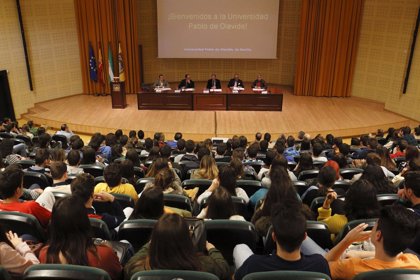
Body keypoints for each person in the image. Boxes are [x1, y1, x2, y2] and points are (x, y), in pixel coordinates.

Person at [234, 201, 331, 280]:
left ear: (274, 237)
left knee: (240, 247)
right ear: (305, 237)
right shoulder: (320, 265)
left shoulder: (253, 265)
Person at [324, 205, 420, 279]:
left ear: (378, 235)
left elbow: (322, 265)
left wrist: (346, 241)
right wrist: (360, 254)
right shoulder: (414, 263)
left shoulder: (350, 267)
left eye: (375, 224)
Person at [124, 213, 230, 280]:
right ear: (187, 240)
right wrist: (212, 249)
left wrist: (150, 244)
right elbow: (224, 268)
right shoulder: (206, 266)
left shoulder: (139, 270)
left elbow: (129, 266)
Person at [39, 197, 122, 280]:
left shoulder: (44, 254)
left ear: (53, 225)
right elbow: (119, 274)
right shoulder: (104, 255)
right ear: (85, 222)